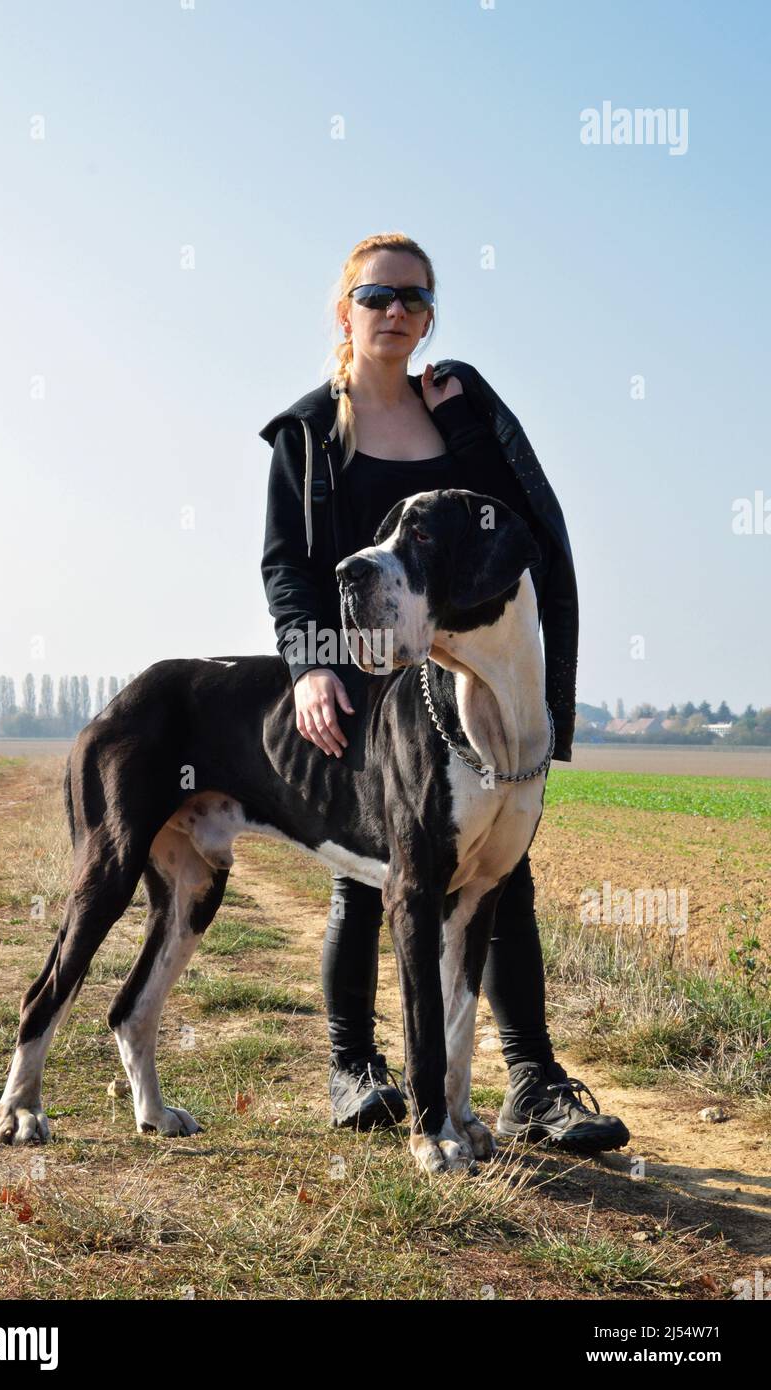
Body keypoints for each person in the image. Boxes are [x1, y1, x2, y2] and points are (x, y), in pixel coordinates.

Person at [259, 232, 629, 1154]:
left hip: (457, 678)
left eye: (416, 300)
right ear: (344, 310)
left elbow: (519, 526)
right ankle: (356, 1069)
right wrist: (310, 665)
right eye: (378, 296)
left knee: (507, 875)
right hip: (365, 676)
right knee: (369, 879)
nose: (397, 313)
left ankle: (531, 1084)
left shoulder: (454, 412)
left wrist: (463, 428)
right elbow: (287, 568)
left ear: (430, 317)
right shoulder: (309, 433)